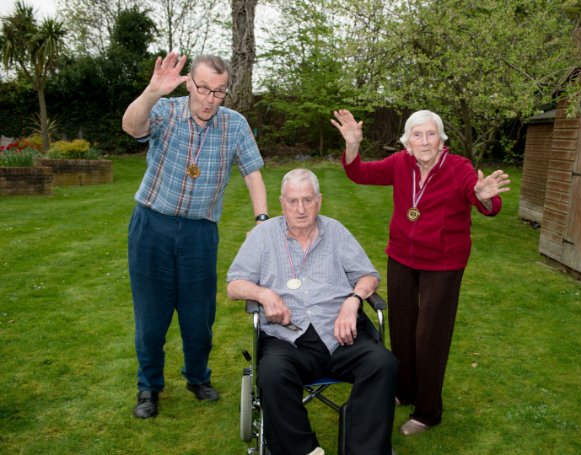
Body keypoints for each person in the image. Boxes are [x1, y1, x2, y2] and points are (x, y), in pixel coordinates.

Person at [331, 109, 510, 436]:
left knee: (430, 336)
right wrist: (353, 146)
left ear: (442, 141)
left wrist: (485, 198)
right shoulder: (400, 163)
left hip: (442, 264)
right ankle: (405, 390)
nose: (425, 141)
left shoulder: (459, 168)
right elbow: (359, 173)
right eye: (417, 135)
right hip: (401, 257)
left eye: (431, 135)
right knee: (403, 328)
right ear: (407, 142)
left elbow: (482, 198)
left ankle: (428, 411)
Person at [122, 52, 268, 419]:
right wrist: (152, 91)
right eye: (203, 89)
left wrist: (263, 218)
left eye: (219, 92)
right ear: (189, 83)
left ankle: (197, 377)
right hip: (152, 225)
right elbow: (131, 126)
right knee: (151, 317)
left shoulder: (235, 124)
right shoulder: (166, 111)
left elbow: (252, 172)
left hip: (200, 233)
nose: (210, 99)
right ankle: (148, 387)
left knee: (198, 316)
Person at [227, 168, 398, 455]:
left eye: (307, 200)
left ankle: (363, 450)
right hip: (288, 338)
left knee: (383, 363)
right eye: (293, 201)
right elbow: (234, 284)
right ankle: (304, 451)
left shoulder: (336, 231)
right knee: (271, 373)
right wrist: (264, 293)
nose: (301, 209)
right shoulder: (264, 236)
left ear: (319, 200)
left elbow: (369, 276)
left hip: (342, 332)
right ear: (282, 203)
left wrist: (353, 300)